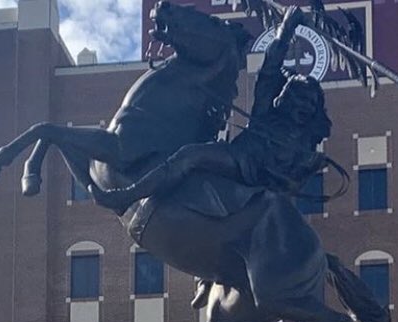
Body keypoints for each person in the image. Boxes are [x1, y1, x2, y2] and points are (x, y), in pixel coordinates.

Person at [91, 6, 330, 217]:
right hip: (238, 160)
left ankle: (126, 196)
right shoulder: (267, 114)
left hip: (251, 173)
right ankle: (131, 195)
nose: (303, 105)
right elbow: (270, 68)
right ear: (286, 98)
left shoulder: (304, 144)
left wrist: (311, 164)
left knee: (191, 156)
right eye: (298, 97)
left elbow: (293, 180)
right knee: (190, 156)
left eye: (309, 102)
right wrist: (286, 30)